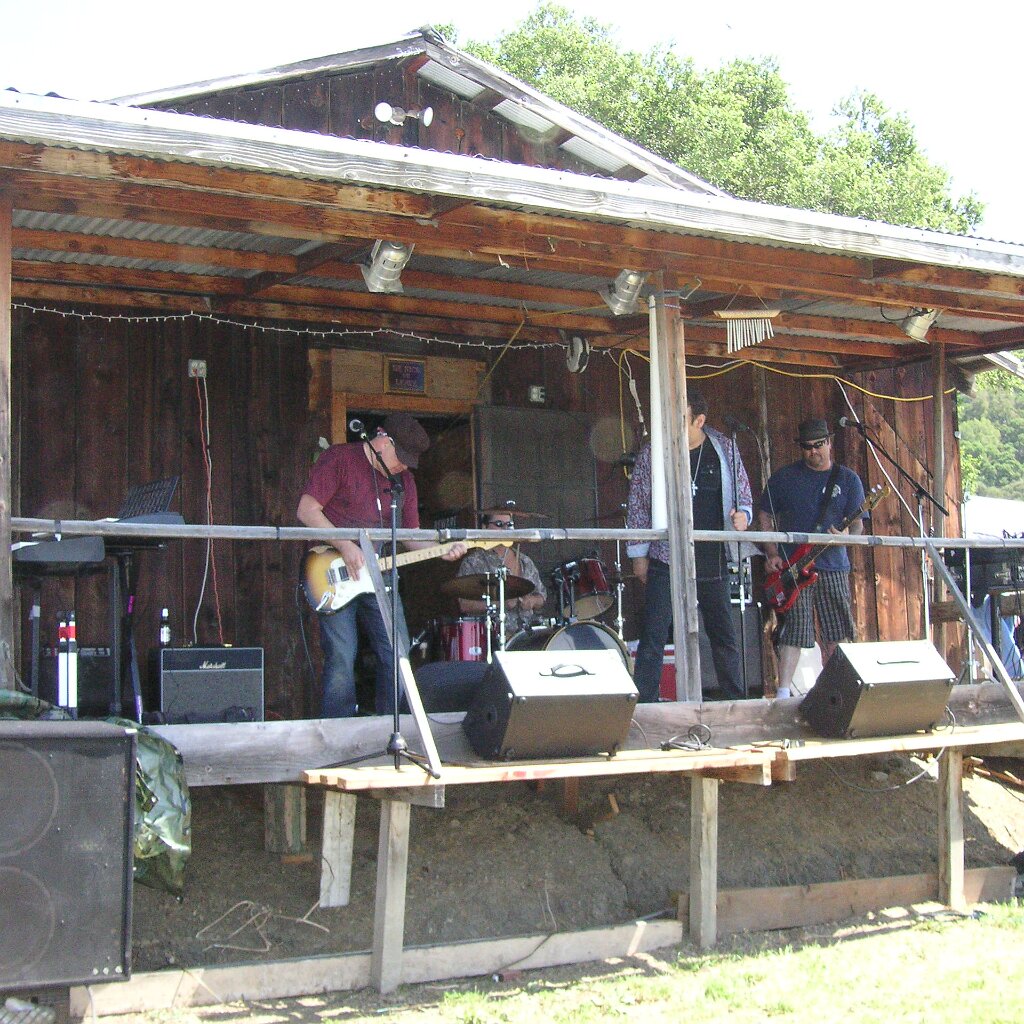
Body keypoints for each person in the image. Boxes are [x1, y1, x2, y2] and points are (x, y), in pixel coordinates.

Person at [297, 413, 466, 717]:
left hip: (382, 576)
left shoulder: (405, 482)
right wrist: (346, 546)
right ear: (382, 440)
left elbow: (410, 537)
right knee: (340, 659)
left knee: (397, 655)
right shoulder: (339, 458)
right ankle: (338, 735)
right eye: (400, 456)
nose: (402, 465)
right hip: (335, 571)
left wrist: (441, 551)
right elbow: (307, 510)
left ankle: (389, 731)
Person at [626, 388, 753, 702]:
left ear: (699, 420)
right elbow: (639, 506)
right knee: (654, 633)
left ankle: (735, 701)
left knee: (723, 633)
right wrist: (638, 553)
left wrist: (744, 517)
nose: (672, 425)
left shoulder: (724, 448)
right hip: (666, 556)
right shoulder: (653, 452)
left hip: (711, 554)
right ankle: (644, 705)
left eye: (680, 418)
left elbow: (745, 498)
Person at [756, 417, 866, 698]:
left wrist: (845, 538)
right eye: (807, 447)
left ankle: (841, 691)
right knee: (793, 631)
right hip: (794, 567)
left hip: (833, 566)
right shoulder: (785, 477)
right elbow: (764, 514)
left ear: (829, 443)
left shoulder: (848, 479)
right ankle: (782, 694)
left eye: (818, 445)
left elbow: (857, 525)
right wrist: (771, 551)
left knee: (837, 631)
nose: (813, 452)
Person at [456, 512, 547, 639]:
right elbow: (464, 605)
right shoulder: (473, 562)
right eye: (499, 524)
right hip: (492, 637)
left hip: (528, 636)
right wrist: (501, 603)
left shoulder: (525, 561)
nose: (505, 529)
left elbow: (541, 597)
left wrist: (531, 601)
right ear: (485, 527)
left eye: (509, 525)